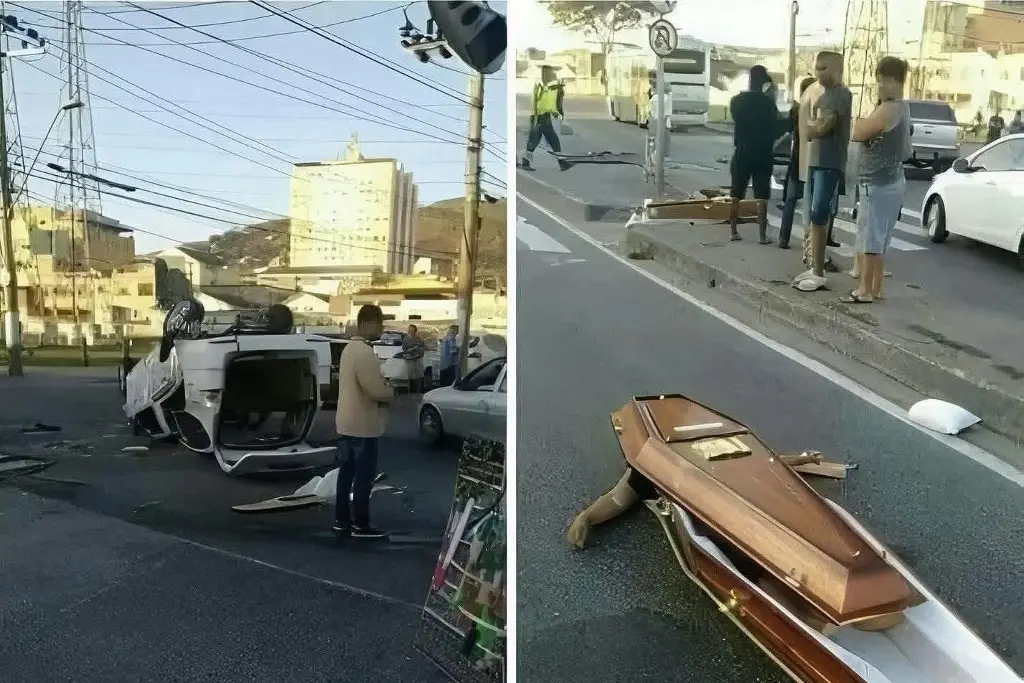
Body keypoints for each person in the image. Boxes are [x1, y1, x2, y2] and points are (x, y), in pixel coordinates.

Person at [841, 57, 912, 304]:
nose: (880, 85)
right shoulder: (900, 107)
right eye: (878, 80)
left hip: (879, 183)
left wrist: (862, 122)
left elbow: (859, 132)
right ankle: (876, 287)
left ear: (897, 81)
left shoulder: (890, 108)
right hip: (887, 181)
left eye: (885, 81)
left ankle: (865, 290)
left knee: (872, 238)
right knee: (878, 238)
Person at [794, 51, 853, 293]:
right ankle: (816, 267)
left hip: (830, 160)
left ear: (838, 68)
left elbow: (822, 127)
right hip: (814, 159)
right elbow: (811, 127)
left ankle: (818, 270)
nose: (820, 72)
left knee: (819, 210)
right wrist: (813, 127)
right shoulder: (818, 92)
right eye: (817, 68)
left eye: (824, 67)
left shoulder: (842, 94)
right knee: (813, 214)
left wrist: (813, 127)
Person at [333, 304, 394, 539]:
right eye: (380, 323)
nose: (381, 328)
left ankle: (342, 521)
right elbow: (375, 390)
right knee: (363, 478)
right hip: (363, 426)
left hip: (345, 423)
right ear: (368, 323)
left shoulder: (349, 349)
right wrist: (391, 390)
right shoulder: (364, 352)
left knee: (345, 475)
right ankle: (361, 525)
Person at [727, 65, 783, 244]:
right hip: (762, 154)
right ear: (764, 82)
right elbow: (776, 127)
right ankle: (762, 235)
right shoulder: (768, 104)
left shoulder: (736, 101)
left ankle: (733, 231)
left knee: (736, 192)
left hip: (742, 151)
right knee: (761, 195)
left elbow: (737, 119)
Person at [778, 76, 819, 249]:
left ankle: (783, 238)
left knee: (790, 201)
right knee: (813, 204)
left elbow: (783, 128)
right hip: (815, 161)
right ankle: (810, 244)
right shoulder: (818, 110)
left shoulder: (797, 110)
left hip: (797, 161)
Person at [520, 65, 569, 172]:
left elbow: (549, 102)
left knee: (550, 139)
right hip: (539, 116)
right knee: (535, 141)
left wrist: (555, 112)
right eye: (553, 72)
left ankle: (561, 162)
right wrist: (556, 112)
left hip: (543, 115)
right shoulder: (545, 86)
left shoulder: (546, 85)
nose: (554, 74)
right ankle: (526, 161)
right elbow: (545, 102)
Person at [402, 323, 426, 393]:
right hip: (409, 359)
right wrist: (413, 349)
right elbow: (404, 349)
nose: (410, 330)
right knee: (409, 375)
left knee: (418, 375)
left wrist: (419, 352)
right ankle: (409, 391)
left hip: (417, 358)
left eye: (412, 329)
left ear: (415, 330)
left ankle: (418, 391)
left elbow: (422, 346)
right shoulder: (406, 338)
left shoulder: (418, 338)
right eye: (409, 328)